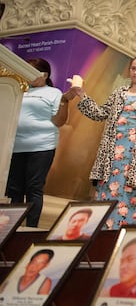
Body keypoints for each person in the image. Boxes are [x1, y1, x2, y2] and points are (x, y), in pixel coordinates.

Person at [74, 56, 136, 228]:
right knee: (108, 190)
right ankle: (103, 234)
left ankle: (126, 234)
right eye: (133, 68)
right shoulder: (119, 92)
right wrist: (82, 95)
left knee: (131, 193)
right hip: (112, 153)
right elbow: (100, 113)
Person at [6, 58, 74, 227]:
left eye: (31, 71)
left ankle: (30, 228)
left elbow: (59, 121)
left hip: (41, 146)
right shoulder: (19, 89)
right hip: (15, 146)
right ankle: (10, 228)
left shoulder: (54, 93)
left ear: (44, 75)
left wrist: (65, 101)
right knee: (14, 190)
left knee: (33, 187)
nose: (27, 75)